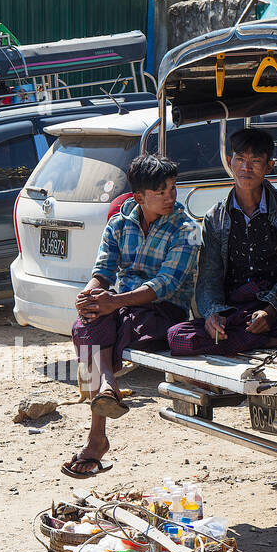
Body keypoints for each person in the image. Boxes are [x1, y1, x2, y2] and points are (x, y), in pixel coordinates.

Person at [63, 154, 198, 478]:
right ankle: (108, 391)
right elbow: (103, 271)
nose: (170, 197)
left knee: (106, 327)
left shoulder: (187, 229)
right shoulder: (119, 224)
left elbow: (167, 283)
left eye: (172, 189)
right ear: (139, 197)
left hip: (162, 311)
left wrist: (112, 302)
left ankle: (97, 438)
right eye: (161, 192)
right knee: (86, 320)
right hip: (121, 307)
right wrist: (90, 294)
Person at [168, 127, 277, 357]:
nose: (246, 168)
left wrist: (271, 311)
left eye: (255, 161)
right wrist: (213, 314)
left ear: (269, 166)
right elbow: (209, 277)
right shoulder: (215, 217)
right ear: (230, 162)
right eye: (240, 159)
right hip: (236, 312)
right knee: (176, 337)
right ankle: (275, 341)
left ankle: (257, 338)